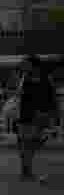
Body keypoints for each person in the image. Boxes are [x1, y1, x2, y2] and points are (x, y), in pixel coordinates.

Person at [17, 55, 60, 184]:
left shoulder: (46, 79)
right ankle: (26, 172)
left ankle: (28, 169)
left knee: (33, 143)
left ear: (34, 65)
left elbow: (53, 98)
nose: (23, 66)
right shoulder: (24, 78)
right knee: (25, 144)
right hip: (25, 115)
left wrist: (55, 115)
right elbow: (19, 95)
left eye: (26, 64)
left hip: (40, 115)